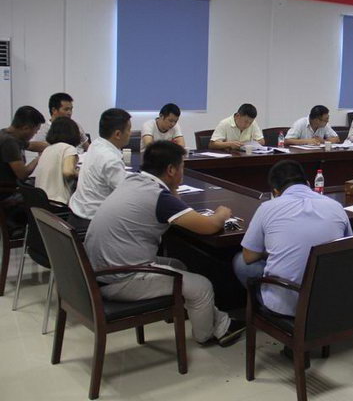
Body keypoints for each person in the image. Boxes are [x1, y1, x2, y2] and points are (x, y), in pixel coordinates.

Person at [84, 141, 243, 346]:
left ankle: (218, 321)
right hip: (120, 279)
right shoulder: (158, 197)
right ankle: (207, 334)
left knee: (178, 265)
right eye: (182, 167)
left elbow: (173, 204)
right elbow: (209, 226)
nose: (183, 171)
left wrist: (172, 191)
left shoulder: (133, 181)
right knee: (202, 286)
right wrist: (222, 214)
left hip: (100, 271)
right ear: (171, 170)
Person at [232, 160, 352, 317]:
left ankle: (267, 316)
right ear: (308, 183)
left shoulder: (267, 208)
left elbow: (249, 256)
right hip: (331, 298)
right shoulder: (336, 206)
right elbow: (348, 249)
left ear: (275, 192)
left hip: (290, 304)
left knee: (240, 262)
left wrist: (272, 253)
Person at [68, 108, 132, 232]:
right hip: (93, 223)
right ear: (117, 134)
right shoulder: (110, 159)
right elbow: (126, 194)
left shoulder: (96, 144)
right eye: (129, 130)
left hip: (77, 214)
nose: (130, 133)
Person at [0, 106, 45, 227]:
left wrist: (53, 146)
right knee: (44, 199)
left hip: (10, 188)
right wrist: (38, 159)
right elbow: (23, 174)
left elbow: (31, 145)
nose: (35, 134)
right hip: (7, 194)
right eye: (35, 130)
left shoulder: (8, 134)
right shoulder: (9, 142)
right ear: (26, 128)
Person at [32, 116, 81, 205]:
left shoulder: (47, 149)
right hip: (57, 203)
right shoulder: (69, 149)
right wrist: (80, 173)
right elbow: (68, 172)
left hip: (41, 204)